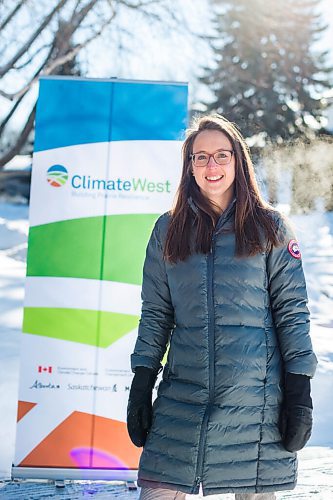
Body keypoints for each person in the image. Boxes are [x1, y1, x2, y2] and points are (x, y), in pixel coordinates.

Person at [127, 114, 317, 500]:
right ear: (189, 166)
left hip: (257, 405)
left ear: (238, 161)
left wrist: (299, 390)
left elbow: (292, 313)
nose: (211, 166)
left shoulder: (271, 228)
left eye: (221, 155)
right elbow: (156, 313)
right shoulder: (168, 230)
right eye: (200, 157)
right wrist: (142, 378)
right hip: (183, 400)